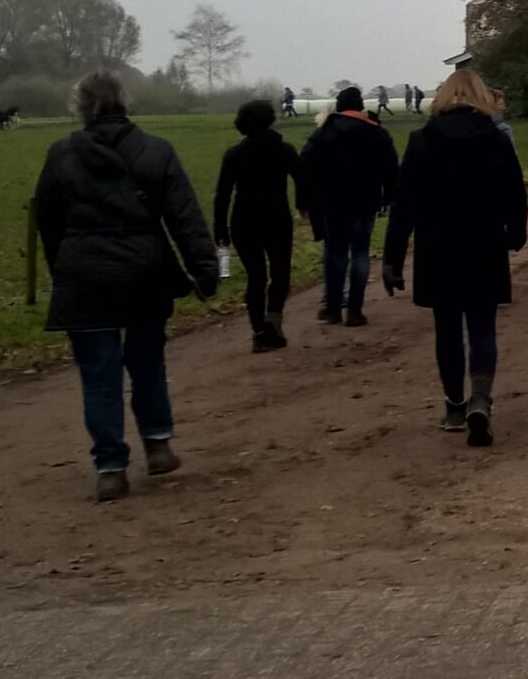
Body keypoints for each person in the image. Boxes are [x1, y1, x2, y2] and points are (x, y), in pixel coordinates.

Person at [34, 71, 218, 502]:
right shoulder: (156, 151)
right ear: (125, 103)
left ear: (80, 106)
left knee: (99, 375)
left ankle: (111, 467)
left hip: (85, 276)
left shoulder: (61, 155)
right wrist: (204, 268)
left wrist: (62, 269)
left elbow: (48, 221)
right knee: (147, 361)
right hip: (145, 272)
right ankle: (157, 444)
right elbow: (184, 216)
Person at [383, 70, 527, 445]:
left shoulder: (421, 140)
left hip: (437, 245)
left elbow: (404, 203)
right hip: (484, 242)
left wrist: (393, 257)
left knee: (446, 329)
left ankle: (453, 405)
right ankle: (481, 396)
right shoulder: (495, 140)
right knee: (482, 326)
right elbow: (515, 190)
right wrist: (517, 231)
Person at [214, 99, 308, 353]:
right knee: (280, 273)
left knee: (255, 277)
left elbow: (222, 194)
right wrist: (303, 206)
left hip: (243, 220)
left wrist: (220, 230)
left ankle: (258, 333)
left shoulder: (234, 154)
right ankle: (273, 317)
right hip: (276, 218)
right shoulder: (284, 150)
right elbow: (302, 179)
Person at [301, 86, 398, 326]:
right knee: (361, 253)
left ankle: (333, 307)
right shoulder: (377, 133)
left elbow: (306, 167)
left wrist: (306, 201)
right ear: (360, 106)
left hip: (332, 202)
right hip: (366, 202)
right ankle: (355, 309)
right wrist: (388, 198)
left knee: (335, 253)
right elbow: (391, 170)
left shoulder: (323, 133)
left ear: (340, 106)